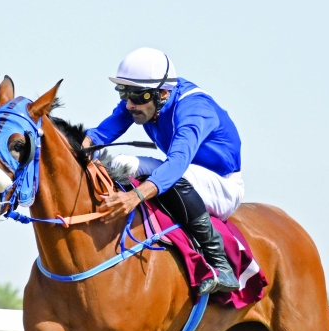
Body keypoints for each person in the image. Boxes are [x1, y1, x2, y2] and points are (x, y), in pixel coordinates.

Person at [84, 47, 244, 295]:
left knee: (173, 175)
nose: (129, 104)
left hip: (222, 187)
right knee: (120, 164)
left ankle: (218, 260)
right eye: (124, 93)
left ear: (162, 94)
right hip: (188, 175)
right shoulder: (146, 100)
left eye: (136, 96)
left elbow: (177, 164)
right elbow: (99, 135)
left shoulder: (193, 109)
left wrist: (134, 197)